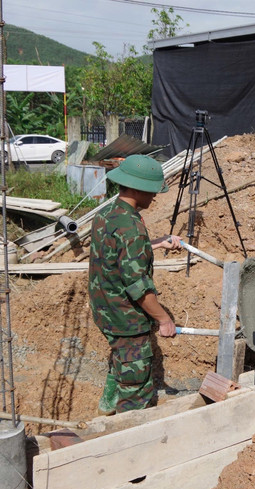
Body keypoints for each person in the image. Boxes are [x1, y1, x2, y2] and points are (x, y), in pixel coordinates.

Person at [88, 154, 182, 415]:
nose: (154, 197)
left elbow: (114, 253)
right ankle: (126, 434)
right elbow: (138, 286)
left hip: (104, 308)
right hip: (125, 317)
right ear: (138, 189)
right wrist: (164, 320)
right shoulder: (131, 227)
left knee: (121, 356)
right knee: (136, 387)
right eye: (152, 191)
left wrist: (155, 243)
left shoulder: (108, 213)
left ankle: (107, 405)